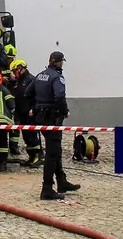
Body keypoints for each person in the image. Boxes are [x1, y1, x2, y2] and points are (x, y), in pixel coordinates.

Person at [25, 51, 80, 200]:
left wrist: (35, 108)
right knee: (52, 153)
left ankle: (61, 181)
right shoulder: (57, 77)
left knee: (56, 149)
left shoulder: (40, 75)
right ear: (59, 62)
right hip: (52, 118)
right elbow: (60, 96)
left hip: (40, 118)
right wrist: (64, 111)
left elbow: (27, 93)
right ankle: (47, 188)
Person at [10, 59, 43, 167]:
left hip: (30, 113)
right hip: (22, 113)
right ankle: (31, 157)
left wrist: (33, 109)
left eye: (15, 71)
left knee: (32, 135)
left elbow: (37, 96)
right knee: (26, 136)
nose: (14, 74)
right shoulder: (19, 81)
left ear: (20, 68)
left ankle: (38, 157)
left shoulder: (31, 80)